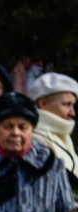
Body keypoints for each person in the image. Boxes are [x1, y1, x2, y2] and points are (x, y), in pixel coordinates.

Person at [27, 72, 78, 200]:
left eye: (73, 105)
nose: (72, 113)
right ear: (43, 103)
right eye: (66, 104)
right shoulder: (35, 140)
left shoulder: (62, 137)